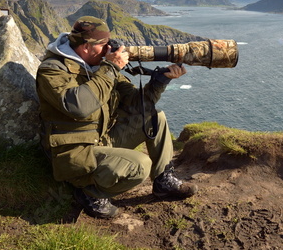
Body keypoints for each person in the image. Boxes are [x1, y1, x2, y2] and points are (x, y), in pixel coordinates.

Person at [36, 16, 198, 219]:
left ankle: (164, 180)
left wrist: (159, 81)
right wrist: (110, 68)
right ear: (86, 46)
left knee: (154, 117)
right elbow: (78, 106)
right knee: (140, 165)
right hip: (74, 152)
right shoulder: (52, 69)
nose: (109, 50)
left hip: (100, 138)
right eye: (104, 45)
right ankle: (90, 193)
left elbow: (137, 104)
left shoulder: (99, 67)